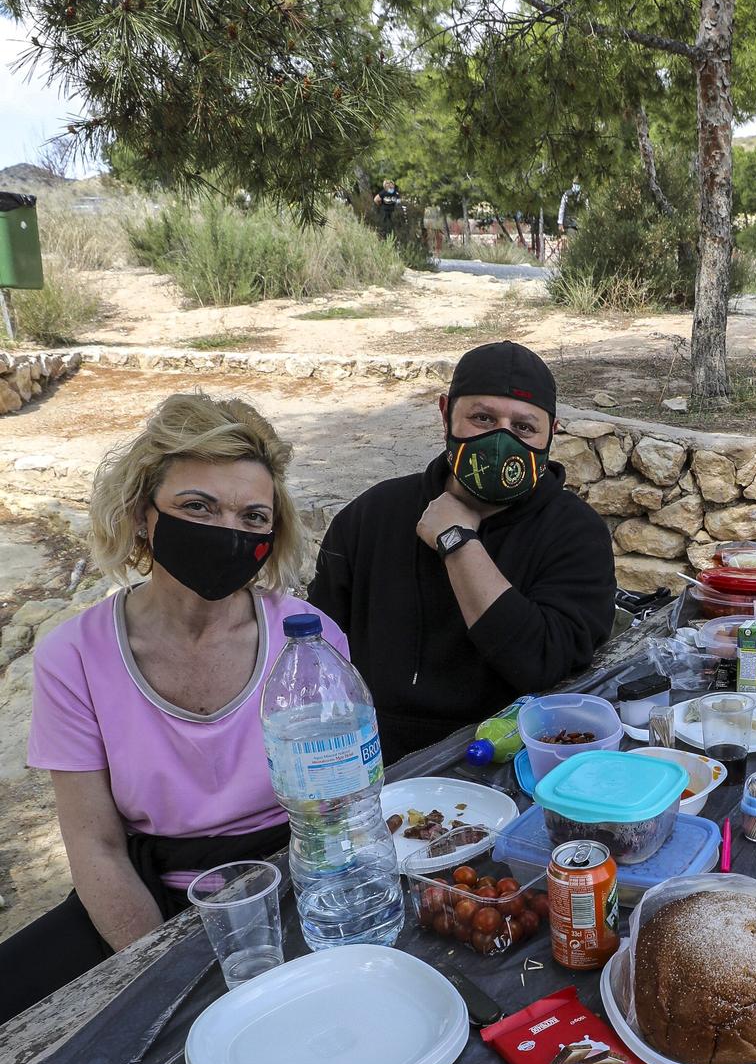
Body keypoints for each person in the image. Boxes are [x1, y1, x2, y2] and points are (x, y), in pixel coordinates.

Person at [0, 394, 346, 1024]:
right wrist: (163, 972)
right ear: (141, 516)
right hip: (149, 891)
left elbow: (339, 808)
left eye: (253, 516)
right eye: (197, 507)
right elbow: (95, 846)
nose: (227, 533)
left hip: (293, 879)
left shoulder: (309, 641)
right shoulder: (74, 658)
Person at [310, 341, 617, 762]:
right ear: (445, 413)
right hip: (369, 756)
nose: (501, 440)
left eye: (524, 427)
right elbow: (319, 656)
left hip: (505, 757)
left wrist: (457, 541)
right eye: (482, 418)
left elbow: (542, 664)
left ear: (552, 434)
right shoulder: (372, 514)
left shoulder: (576, 532)